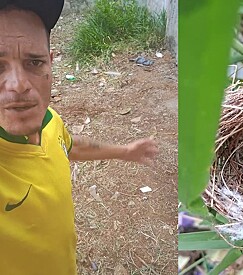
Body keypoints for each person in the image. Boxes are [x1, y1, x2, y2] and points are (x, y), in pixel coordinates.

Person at [0, 1, 158, 274]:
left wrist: (124, 151)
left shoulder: (50, 120)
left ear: (50, 62)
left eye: (33, 62)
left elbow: (69, 146)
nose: (18, 85)